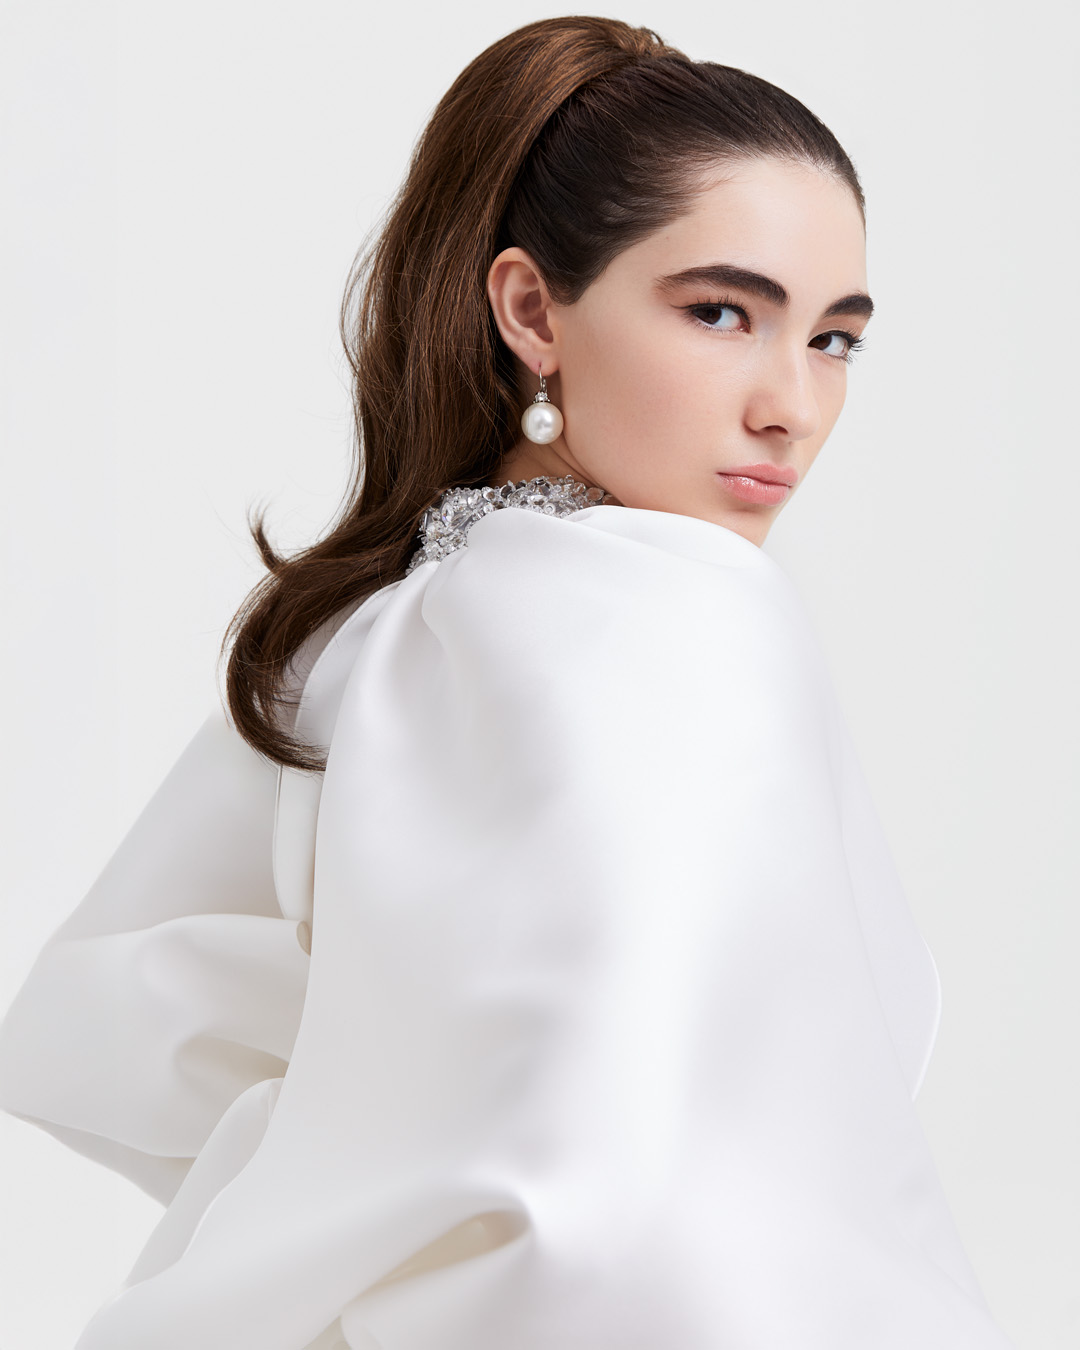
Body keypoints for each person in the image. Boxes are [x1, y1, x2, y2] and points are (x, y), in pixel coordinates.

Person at [0, 15, 1018, 1349]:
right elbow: (656, 1196)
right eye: (721, 313)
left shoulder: (365, 627)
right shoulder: (677, 612)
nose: (794, 405)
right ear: (532, 309)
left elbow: (125, 1031)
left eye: (836, 339)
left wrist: (330, 1173)